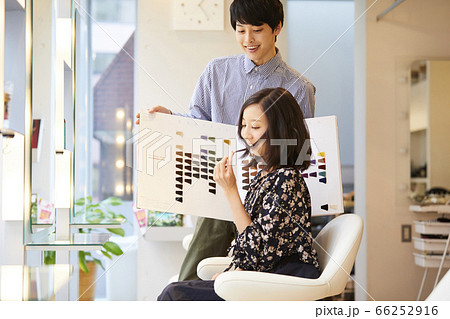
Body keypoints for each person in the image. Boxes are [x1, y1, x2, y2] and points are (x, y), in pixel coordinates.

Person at [136, 0, 316, 281]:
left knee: (251, 275)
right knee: (193, 275)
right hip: (220, 192)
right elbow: (197, 121)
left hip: (271, 200)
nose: (248, 40)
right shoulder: (216, 72)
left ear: (277, 28)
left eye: (257, 30)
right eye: (241, 30)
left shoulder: (299, 87)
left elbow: (300, 149)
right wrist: (168, 118)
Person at [157, 87, 320, 301]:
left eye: (255, 126)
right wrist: (232, 271)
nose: (246, 134)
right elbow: (249, 247)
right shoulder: (265, 177)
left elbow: (259, 252)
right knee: (175, 290)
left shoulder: (286, 180)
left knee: (173, 295)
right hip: (258, 279)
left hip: (278, 284)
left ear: (280, 130)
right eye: (243, 125)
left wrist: (230, 190)